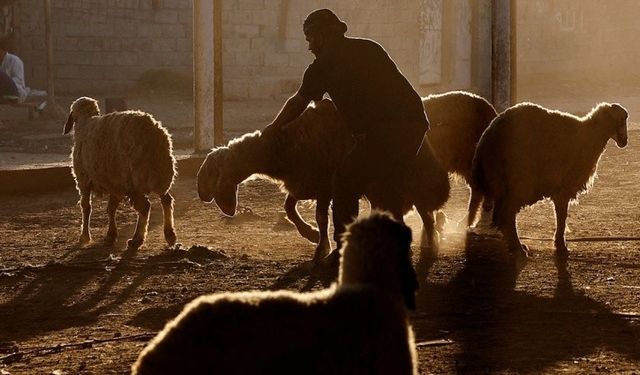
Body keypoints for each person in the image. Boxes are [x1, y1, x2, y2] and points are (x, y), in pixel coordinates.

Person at [267, 9, 429, 259]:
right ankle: (398, 247)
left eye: (310, 38)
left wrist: (273, 128)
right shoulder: (369, 48)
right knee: (387, 182)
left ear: (323, 35)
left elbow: (297, 103)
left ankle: (345, 249)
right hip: (414, 123)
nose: (309, 46)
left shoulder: (323, 67)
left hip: (388, 129)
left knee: (344, 180)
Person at [0, 37, 29, 103]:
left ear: (3, 50)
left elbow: (19, 80)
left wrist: (5, 81)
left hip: (16, 92)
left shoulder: (15, 60)